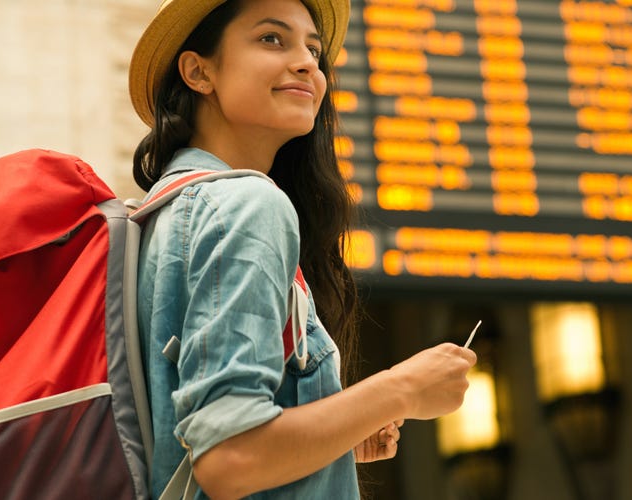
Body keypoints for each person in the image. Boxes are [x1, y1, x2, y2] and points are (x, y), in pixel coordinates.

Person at [128, 0, 477, 498]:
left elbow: (188, 437)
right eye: (272, 39)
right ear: (198, 71)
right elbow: (230, 456)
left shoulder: (162, 212)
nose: (307, 63)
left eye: (313, 50)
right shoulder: (247, 204)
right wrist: (400, 388)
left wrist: (342, 430)